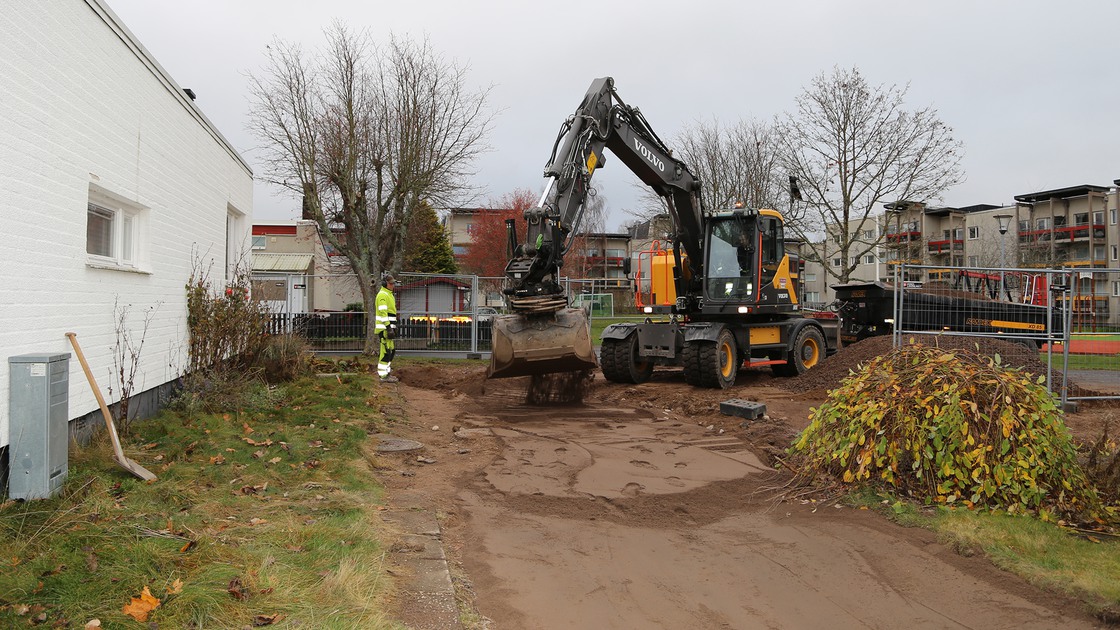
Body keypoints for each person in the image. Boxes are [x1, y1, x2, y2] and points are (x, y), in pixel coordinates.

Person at [375, 274, 398, 382]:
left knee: (391, 351)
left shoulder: (389, 294)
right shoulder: (383, 295)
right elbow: (383, 313)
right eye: (391, 283)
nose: (393, 285)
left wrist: (393, 327)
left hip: (388, 328)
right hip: (384, 329)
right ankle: (383, 375)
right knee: (385, 352)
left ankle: (387, 373)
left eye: (393, 283)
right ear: (385, 284)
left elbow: (390, 313)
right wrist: (389, 328)